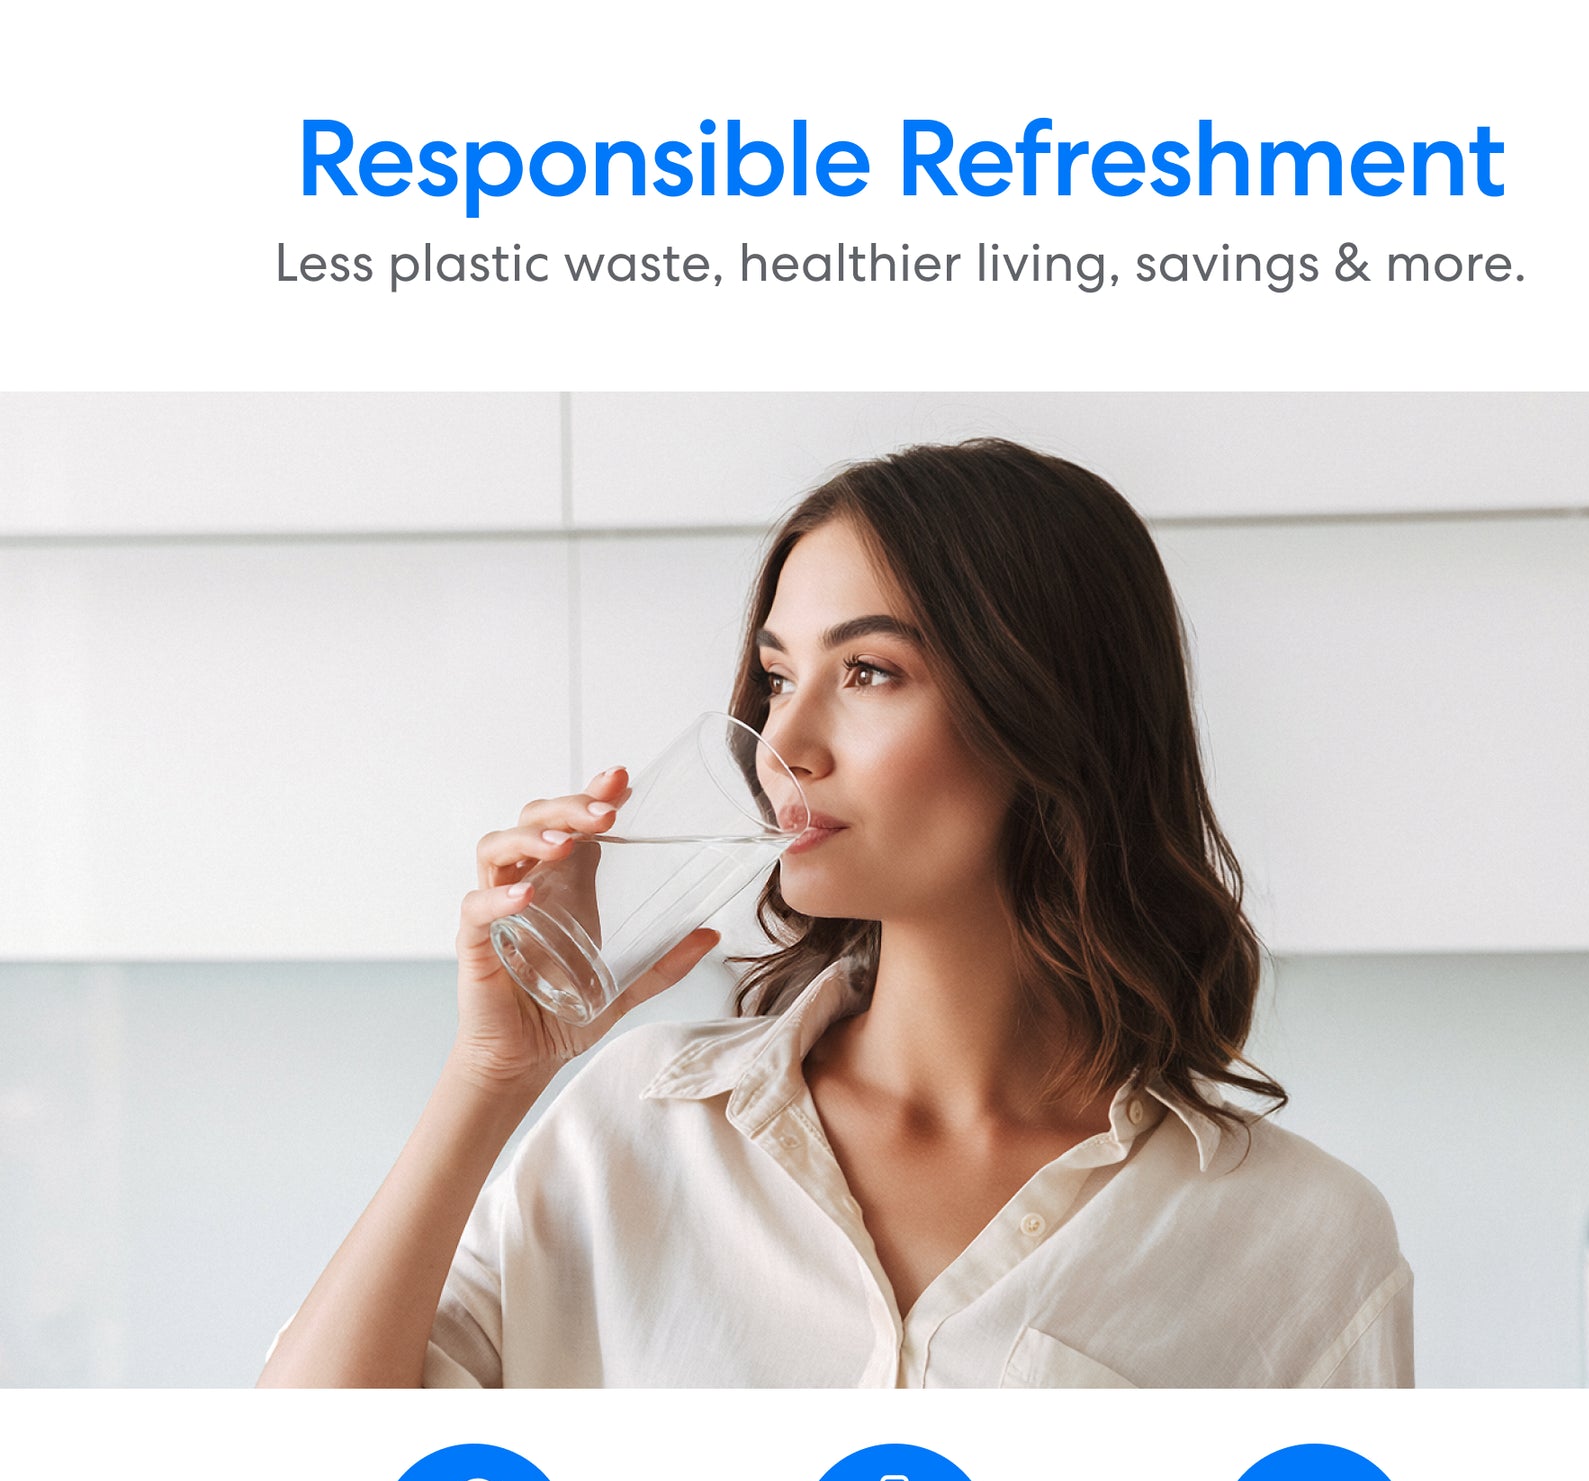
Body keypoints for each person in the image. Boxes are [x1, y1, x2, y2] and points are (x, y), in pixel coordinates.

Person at [259, 439, 1411, 1390]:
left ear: (1047, 714)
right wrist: (489, 1078)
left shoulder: (1304, 1242)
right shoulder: (636, 1131)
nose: (788, 747)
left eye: (869, 673)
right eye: (775, 676)